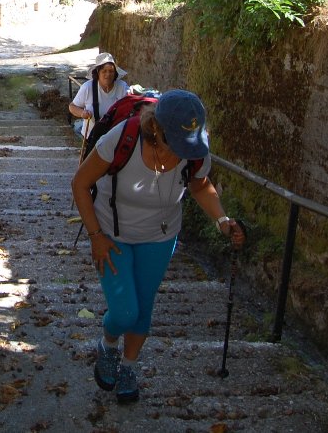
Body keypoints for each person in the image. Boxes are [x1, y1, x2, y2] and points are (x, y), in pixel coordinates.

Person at [70, 89, 246, 404]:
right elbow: (80, 183)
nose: (184, 152)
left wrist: (222, 220)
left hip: (161, 238)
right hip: (112, 235)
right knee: (125, 312)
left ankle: (129, 367)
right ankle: (108, 344)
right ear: (157, 130)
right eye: (176, 144)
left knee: (143, 309)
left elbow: (200, 185)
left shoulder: (194, 148)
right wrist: (96, 237)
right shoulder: (121, 138)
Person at [69, 53, 129, 138]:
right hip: (91, 138)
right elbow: (72, 106)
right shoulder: (87, 87)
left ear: (115, 72)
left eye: (111, 71)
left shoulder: (122, 87)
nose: (108, 74)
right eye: (104, 71)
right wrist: (82, 113)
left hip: (115, 138)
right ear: (98, 72)